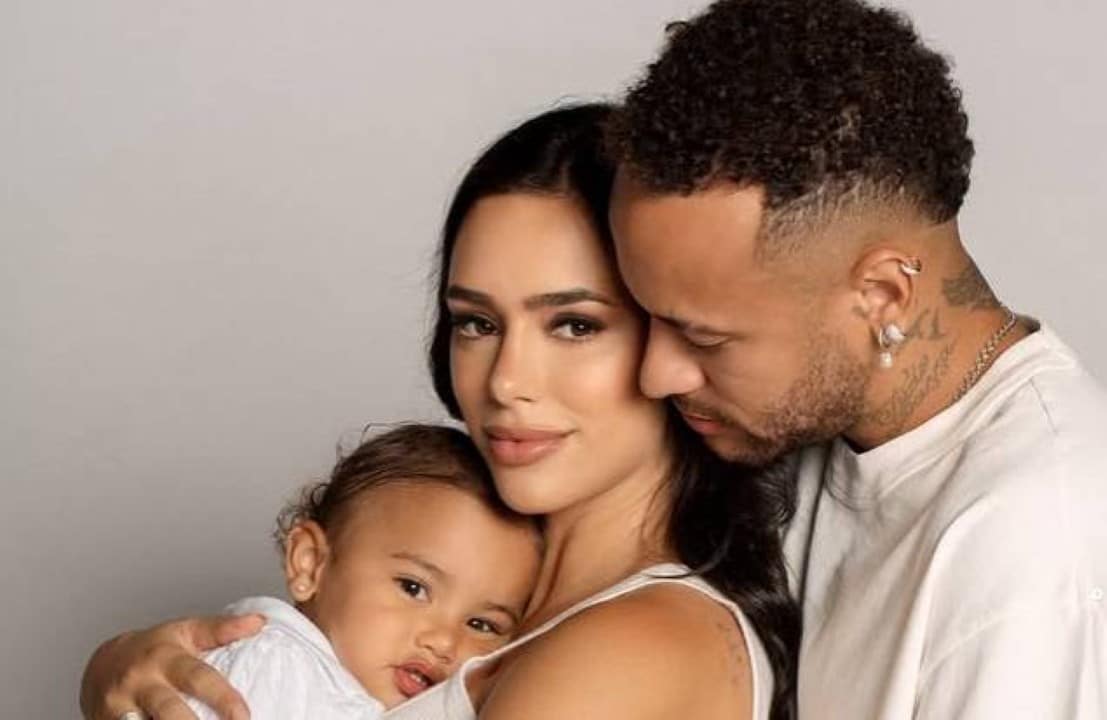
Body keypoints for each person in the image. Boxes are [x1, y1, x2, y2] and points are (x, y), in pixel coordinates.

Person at [79, 105, 800, 720]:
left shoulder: (634, 648)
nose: (506, 381)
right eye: (476, 323)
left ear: (671, 335)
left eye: (574, 325)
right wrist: (119, 670)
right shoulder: (478, 587)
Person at [606, 0, 1107, 717]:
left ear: (881, 295)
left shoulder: (1032, 549)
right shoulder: (806, 437)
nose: (655, 374)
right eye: (644, 316)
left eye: (704, 338)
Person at [182, 424, 542, 719]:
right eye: (413, 588)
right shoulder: (273, 666)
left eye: (482, 624)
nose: (444, 642)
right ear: (310, 563)